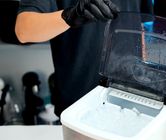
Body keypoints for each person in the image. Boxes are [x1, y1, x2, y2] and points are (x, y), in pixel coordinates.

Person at [15, 0, 153, 116]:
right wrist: (70, 15)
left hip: (132, 101)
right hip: (80, 108)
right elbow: (24, 30)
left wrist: (144, 73)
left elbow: (141, 24)